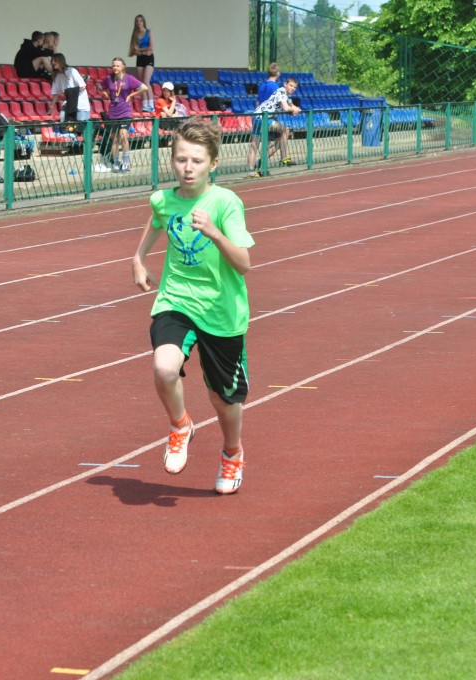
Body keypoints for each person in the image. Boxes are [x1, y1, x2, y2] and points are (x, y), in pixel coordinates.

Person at [131, 117, 254, 495]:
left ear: (212, 164)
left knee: (223, 399)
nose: (188, 168)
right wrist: (138, 258)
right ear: (172, 160)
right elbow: (157, 221)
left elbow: (244, 264)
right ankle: (180, 424)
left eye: (197, 161)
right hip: (176, 299)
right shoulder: (164, 200)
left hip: (222, 311)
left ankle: (232, 453)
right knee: (164, 368)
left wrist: (214, 232)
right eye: (181, 159)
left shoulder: (225, 203)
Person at [99, 57, 147, 172]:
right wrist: (107, 95)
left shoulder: (129, 78)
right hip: (113, 112)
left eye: (117, 66)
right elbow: (100, 87)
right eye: (114, 65)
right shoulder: (109, 78)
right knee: (114, 139)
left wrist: (131, 95)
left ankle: (126, 162)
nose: (115, 68)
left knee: (124, 135)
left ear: (123, 67)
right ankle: (116, 162)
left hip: (125, 111)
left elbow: (144, 87)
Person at [245, 76, 300, 177]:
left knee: (255, 145)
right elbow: (286, 107)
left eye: (295, 87)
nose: (292, 88)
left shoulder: (287, 96)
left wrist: (296, 109)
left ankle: (253, 171)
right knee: (285, 130)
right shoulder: (281, 92)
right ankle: (283, 158)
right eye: (291, 86)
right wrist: (293, 110)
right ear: (285, 84)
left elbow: (292, 106)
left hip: (258, 117)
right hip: (263, 118)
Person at [49, 53, 89, 124]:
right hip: (68, 104)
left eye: (55, 60)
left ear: (60, 61)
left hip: (80, 105)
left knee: (80, 127)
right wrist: (51, 107)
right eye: (52, 61)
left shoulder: (72, 71)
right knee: (63, 122)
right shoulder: (57, 76)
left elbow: (83, 86)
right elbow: (56, 94)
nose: (53, 62)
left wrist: (69, 92)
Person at [128, 15, 155, 112]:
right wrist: (142, 51)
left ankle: (151, 104)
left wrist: (140, 49)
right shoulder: (135, 35)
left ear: (143, 22)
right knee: (141, 83)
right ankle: (145, 105)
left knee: (146, 80)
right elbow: (133, 51)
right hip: (140, 59)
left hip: (149, 59)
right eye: (137, 21)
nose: (139, 23)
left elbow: (151, 48)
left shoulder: (149, 32)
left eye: (140, 21)